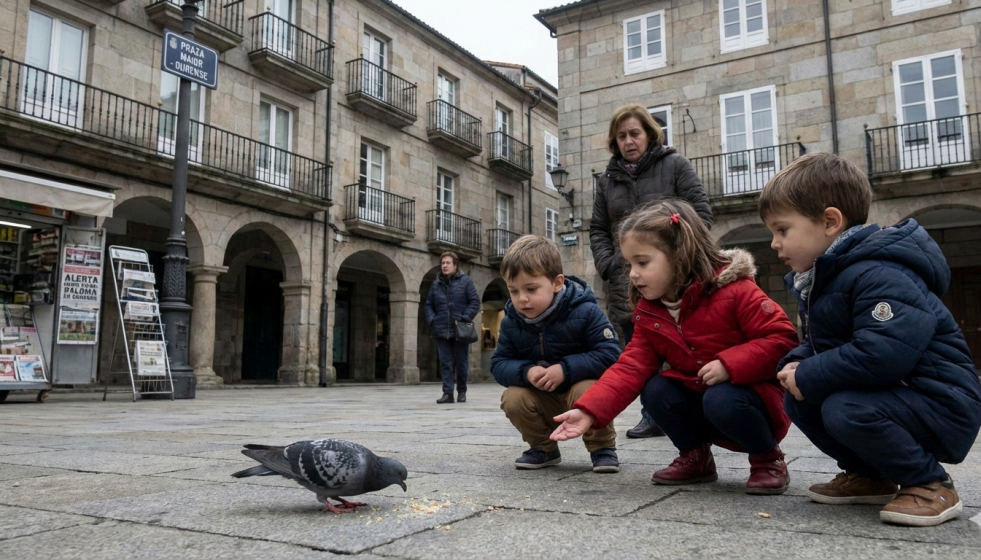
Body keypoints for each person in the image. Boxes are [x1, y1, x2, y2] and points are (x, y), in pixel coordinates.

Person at [759, 152, 981, 526]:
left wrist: (810, 372)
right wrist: (794, 365)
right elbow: (823, 343)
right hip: (900, 395)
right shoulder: (829, 279)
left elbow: (883, 353)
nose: (774, 244)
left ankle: (930, 483)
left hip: (943, 404)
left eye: (782, 230)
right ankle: (869, 476)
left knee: (844, 407)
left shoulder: (879, 273)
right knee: (800, 399)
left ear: (829, 222)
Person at [552, 200, 799, 494]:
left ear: (678, 256)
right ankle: (696, 457)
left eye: (642, 263)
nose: (632, 273)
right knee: (656, 389)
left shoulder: (736, 290)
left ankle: (768, 459)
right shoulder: (651, 311)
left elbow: (782, 339)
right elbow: (631, 366)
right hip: (702, 394)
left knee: (720, 398)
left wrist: (729, 365)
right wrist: (589, 411)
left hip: (754, 399)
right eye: (630, 264)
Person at [590, 104, 714, 439]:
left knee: (679, 346)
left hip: (676, 279)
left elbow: (700, 214)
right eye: (621, 136)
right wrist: (608, 263)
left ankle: (692, 413)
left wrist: (678, 257)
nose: (629, 140)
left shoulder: (675, 165)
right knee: (639, 347)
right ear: (615, 142)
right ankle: (652, 413)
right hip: (627, 279)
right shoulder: (606, 181)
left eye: (634, 133)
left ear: (648, 133)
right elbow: (598, 228)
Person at [491, 236, 622, 472]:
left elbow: (610, 353)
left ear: (556, 283)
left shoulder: (586, 311)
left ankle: (602, 447)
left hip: (580, 394)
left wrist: (565, 369)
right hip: (541, 398)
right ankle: (543, 449)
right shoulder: (512, 321)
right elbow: (499, 363)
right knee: (513, 397)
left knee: (590, 390)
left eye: (531, 289)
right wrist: (526, 371)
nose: (522, 298)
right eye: (513, 290)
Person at [425, 251, 480, 404]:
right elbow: (429, 305)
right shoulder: (435, 284)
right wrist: (432, 320)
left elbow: (474, 302)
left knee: (461, 362)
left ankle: (461, 391)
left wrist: (465, 317)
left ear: (455, 266)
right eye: (443, 263)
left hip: (460, 329)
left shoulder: (466, 281)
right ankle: (447, 393)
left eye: (448, 263)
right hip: (441, 329)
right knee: (445, 363)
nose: (444, 266)